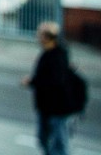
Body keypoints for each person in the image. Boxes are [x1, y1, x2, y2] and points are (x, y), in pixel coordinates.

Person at [21, 21, 74, 155]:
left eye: (40, 34)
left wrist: (32, 81)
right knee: (44, 139)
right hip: (47, 107)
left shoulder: (57, 56)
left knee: (58, 143)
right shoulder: (49, 53)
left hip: (58, 108)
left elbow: (54, 81)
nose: (37, 37)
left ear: (47, 37)